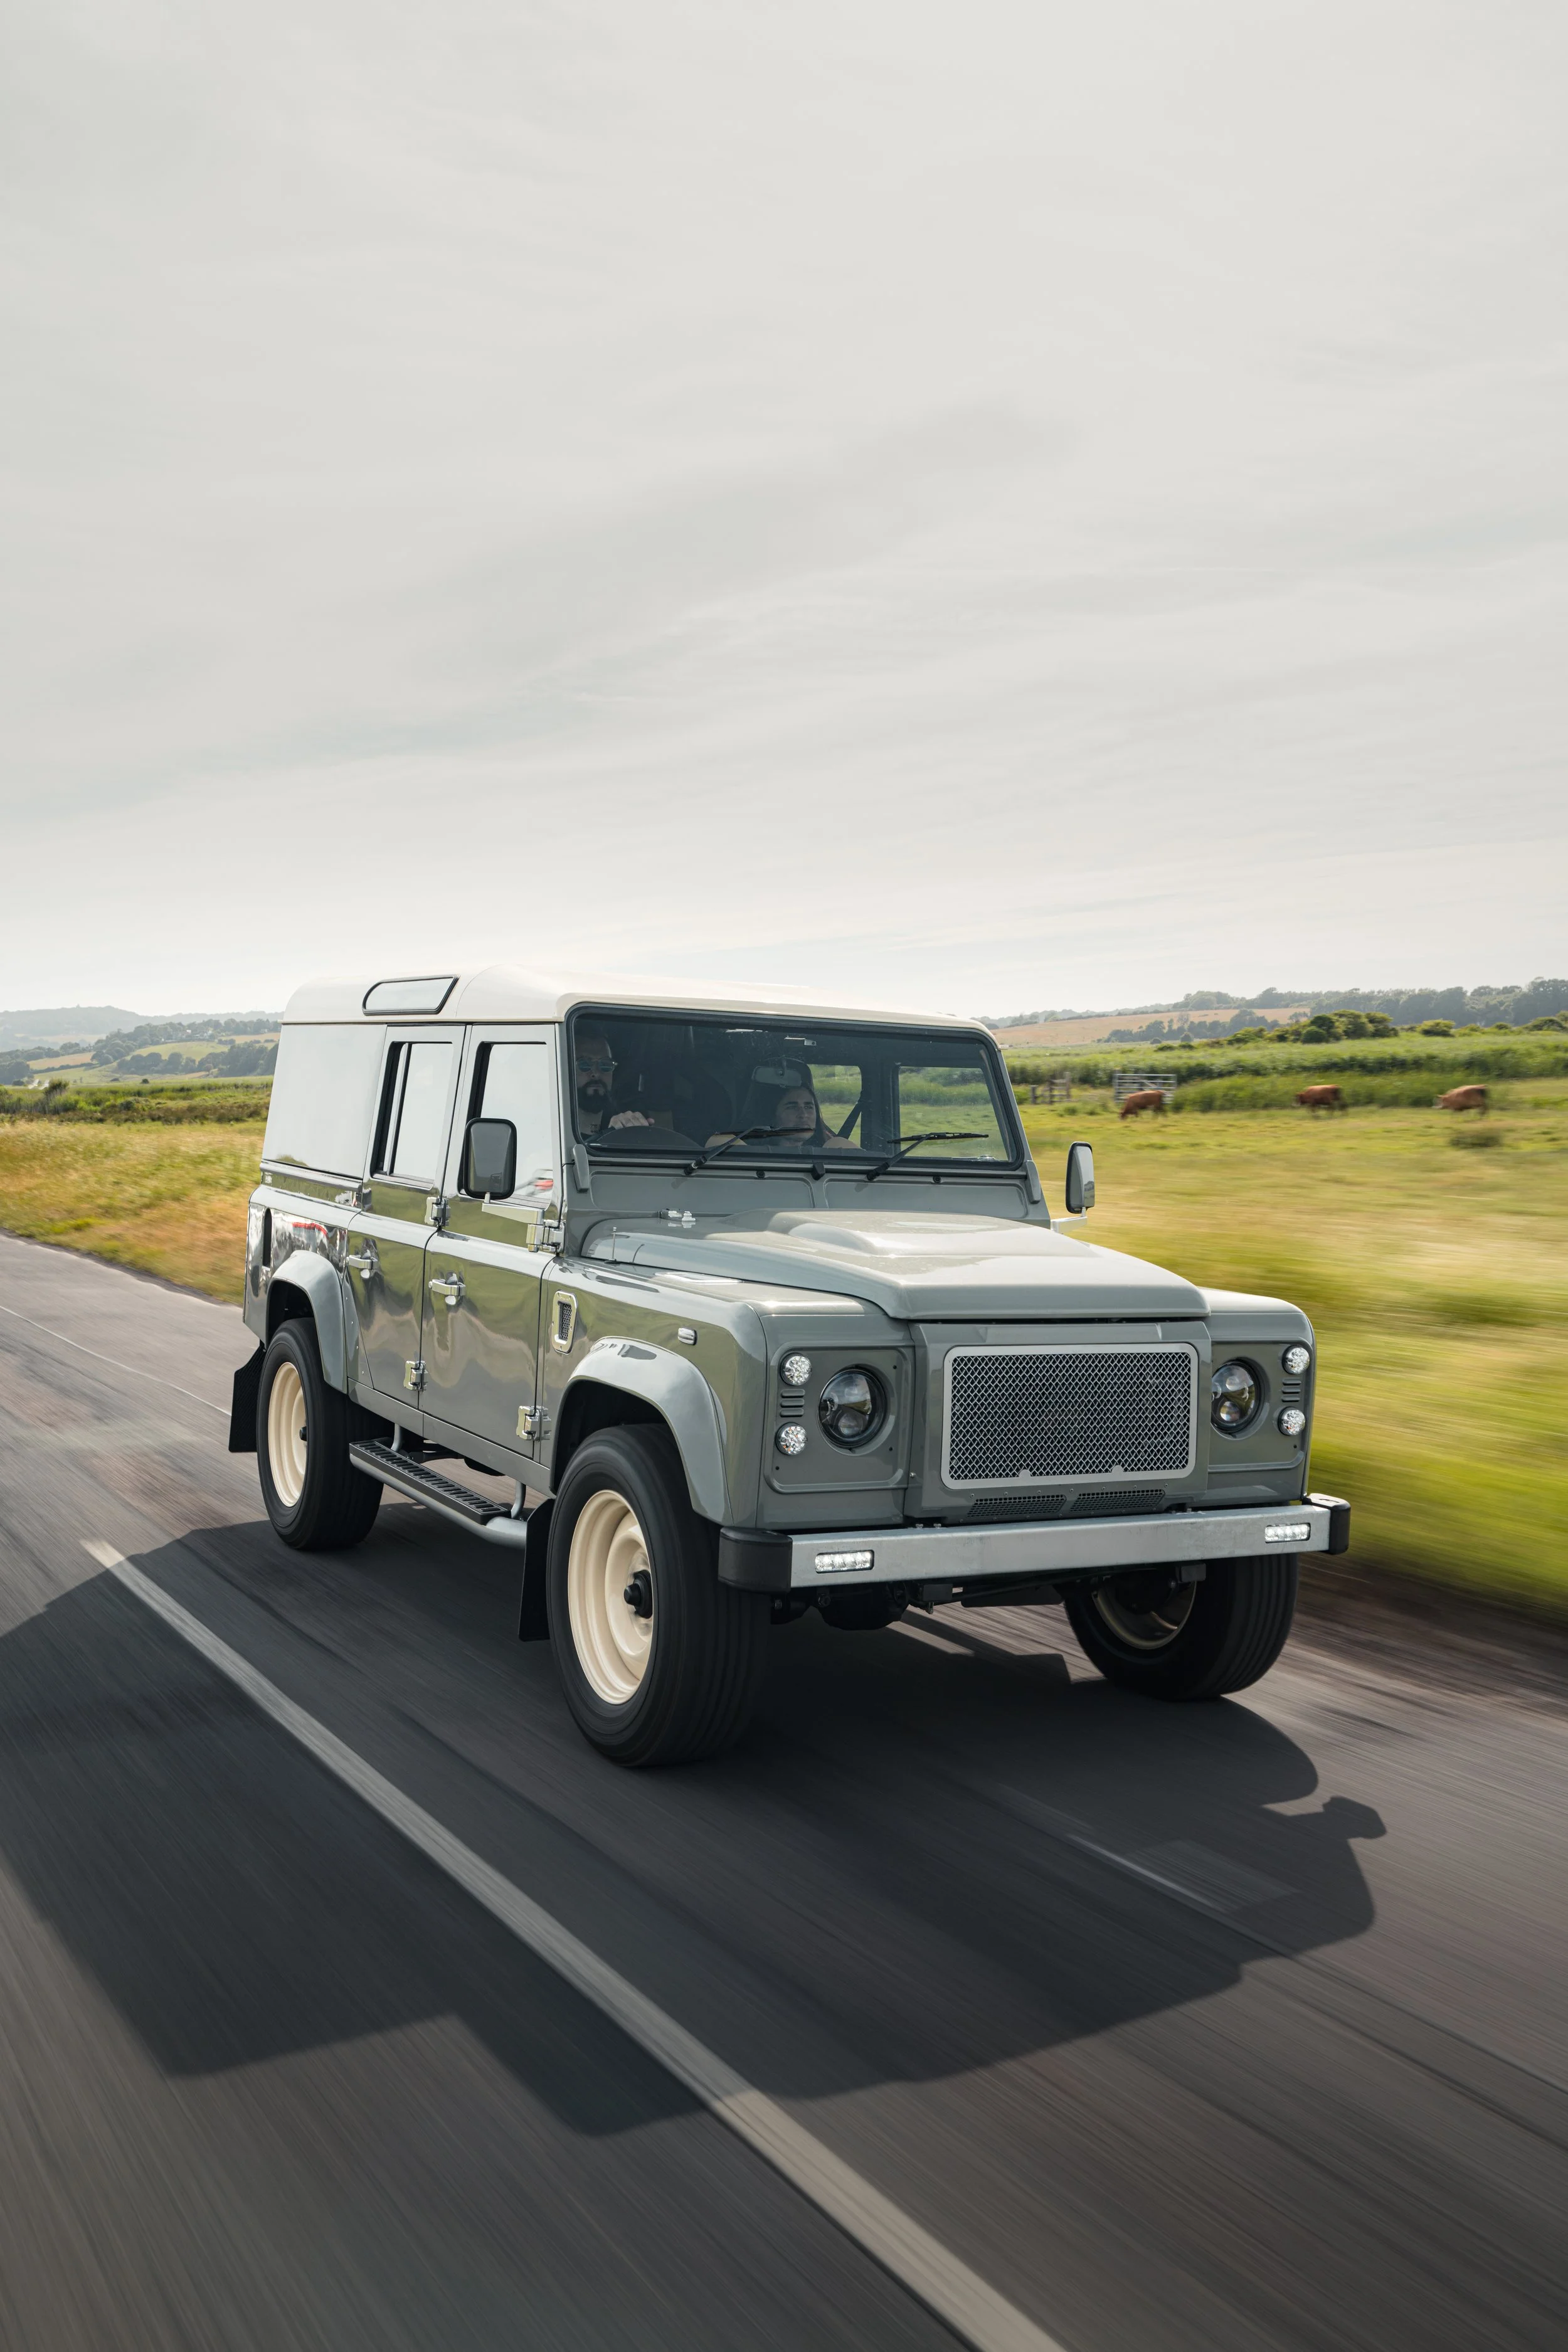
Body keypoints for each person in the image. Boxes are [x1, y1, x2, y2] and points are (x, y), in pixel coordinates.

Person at [707, 1076, 855, 1152]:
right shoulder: (742, 1151)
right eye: (792, 1107)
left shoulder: (835, 1152)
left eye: (809, 1107)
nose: (803, 1114)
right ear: (772, 1115)